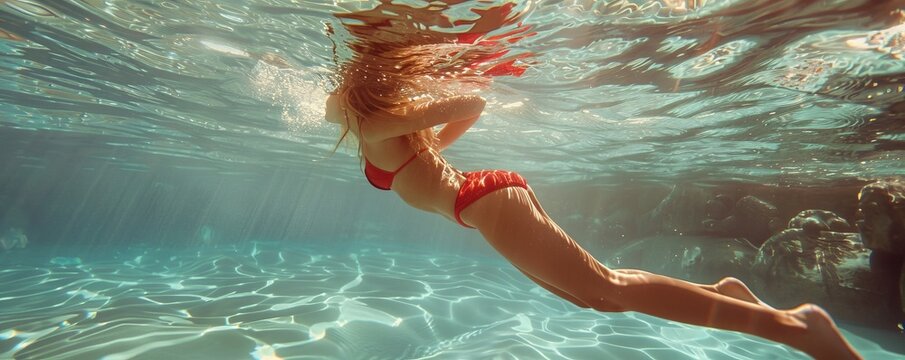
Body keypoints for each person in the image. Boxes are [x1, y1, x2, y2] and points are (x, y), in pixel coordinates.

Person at [322, 2, 862, 359]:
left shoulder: (379, 119)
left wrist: (431, 139)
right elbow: (333, 108)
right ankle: (721, 293)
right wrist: (423, 143)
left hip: (484, 200)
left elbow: (474, 99)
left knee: (606, 288)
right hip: (478, 207)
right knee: (590, 297)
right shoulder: (352, 110)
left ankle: (796, 327)